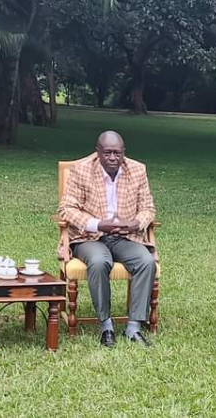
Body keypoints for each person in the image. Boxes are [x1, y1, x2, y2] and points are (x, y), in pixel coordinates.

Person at [58, 131, 157, 348]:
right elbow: (66, 209)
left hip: (124, 236)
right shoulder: (81, 170)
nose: (113, 158)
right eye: (108, 153)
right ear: (98, 152)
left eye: (117, 153)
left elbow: (148, 209)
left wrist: (136, 223)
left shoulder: (137, 170)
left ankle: (133, 327)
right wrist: (98, 224)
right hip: (89, 236)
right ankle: (106, 325)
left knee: (146, 262)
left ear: (124, 153)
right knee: (99, 261)